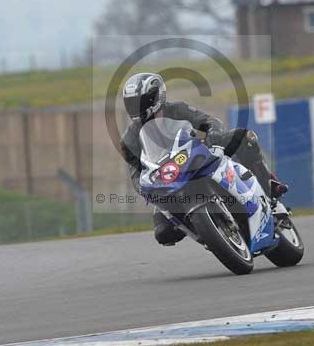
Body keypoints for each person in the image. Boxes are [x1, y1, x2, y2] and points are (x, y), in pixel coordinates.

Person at [118, 72, 288, 246]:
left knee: (245, 138)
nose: (135, 107)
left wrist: (212, 132)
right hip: (169, 181)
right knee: (163, 234)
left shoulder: (177, 109)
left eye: (140, 101)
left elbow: (207, 121)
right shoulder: (129, 140)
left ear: (155, 96)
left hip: (197, 152)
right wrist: (143, 187)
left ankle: (269, 185)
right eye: (130, 103)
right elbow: (136, 173)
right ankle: (208, 234)